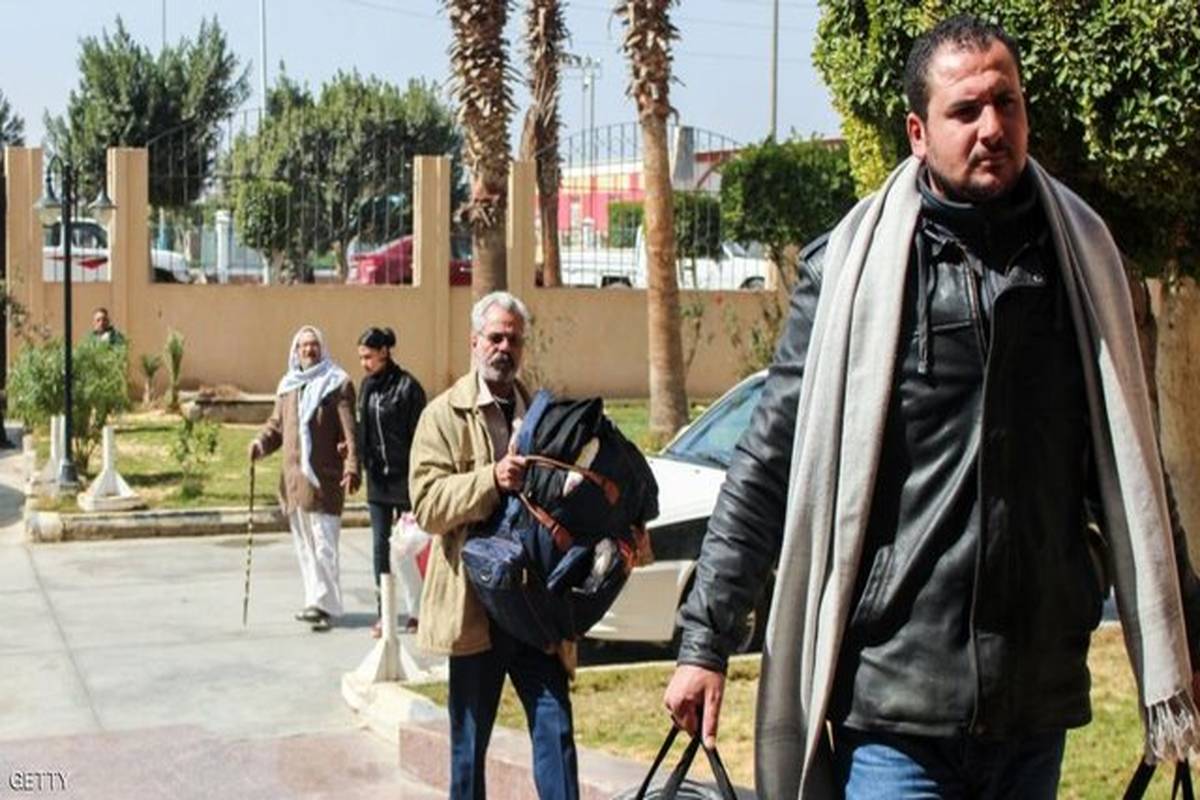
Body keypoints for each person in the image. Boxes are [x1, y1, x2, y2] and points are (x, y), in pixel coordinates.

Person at [663, 15, 1200, 800]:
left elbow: (1133, 472)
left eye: (1007, 104)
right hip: (894, 703)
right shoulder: (849, 273)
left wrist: (1187, 634)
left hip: (1034, 700)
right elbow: (768, 463)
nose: (993, 128)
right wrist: (704, 640)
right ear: (917, 133)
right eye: (965, 111)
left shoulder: (1081, 266)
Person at [409, 291, 579, 799]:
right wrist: (491, 479)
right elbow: (428, 505)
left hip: (534, 606)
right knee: (468, 747)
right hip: (476, 607)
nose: (505, 348)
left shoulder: (543, 415)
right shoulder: (443, 415)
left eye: (514, 340)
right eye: (496, 337)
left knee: (555, 724)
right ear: (475, 342)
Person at [250, 325, 360, 632]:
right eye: (303, 346)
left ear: (322, 349)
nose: (309, 350)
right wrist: (259, 444)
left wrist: (352, 465)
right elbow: (276, 427)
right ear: (295, 351)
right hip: (294, 481)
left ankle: (323, 604)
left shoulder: (337, 383)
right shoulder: (289, 386)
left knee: (324, 544)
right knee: (305, 546)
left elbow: (350, 431)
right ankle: (317, 601)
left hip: (324, 480)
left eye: (313, 345)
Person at [355, 326, 427, 638]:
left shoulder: (408, 388)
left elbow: (422, 438)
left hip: (406, 480)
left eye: (368, 357)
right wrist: (355, 462)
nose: (364, 363)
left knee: (410, 547)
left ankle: (419, 611)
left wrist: (420, 478)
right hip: (378, 481)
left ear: (384, 352)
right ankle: (383, 613)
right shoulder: (367, 387)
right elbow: (363, 429)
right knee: (380, 548)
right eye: (361, 357)